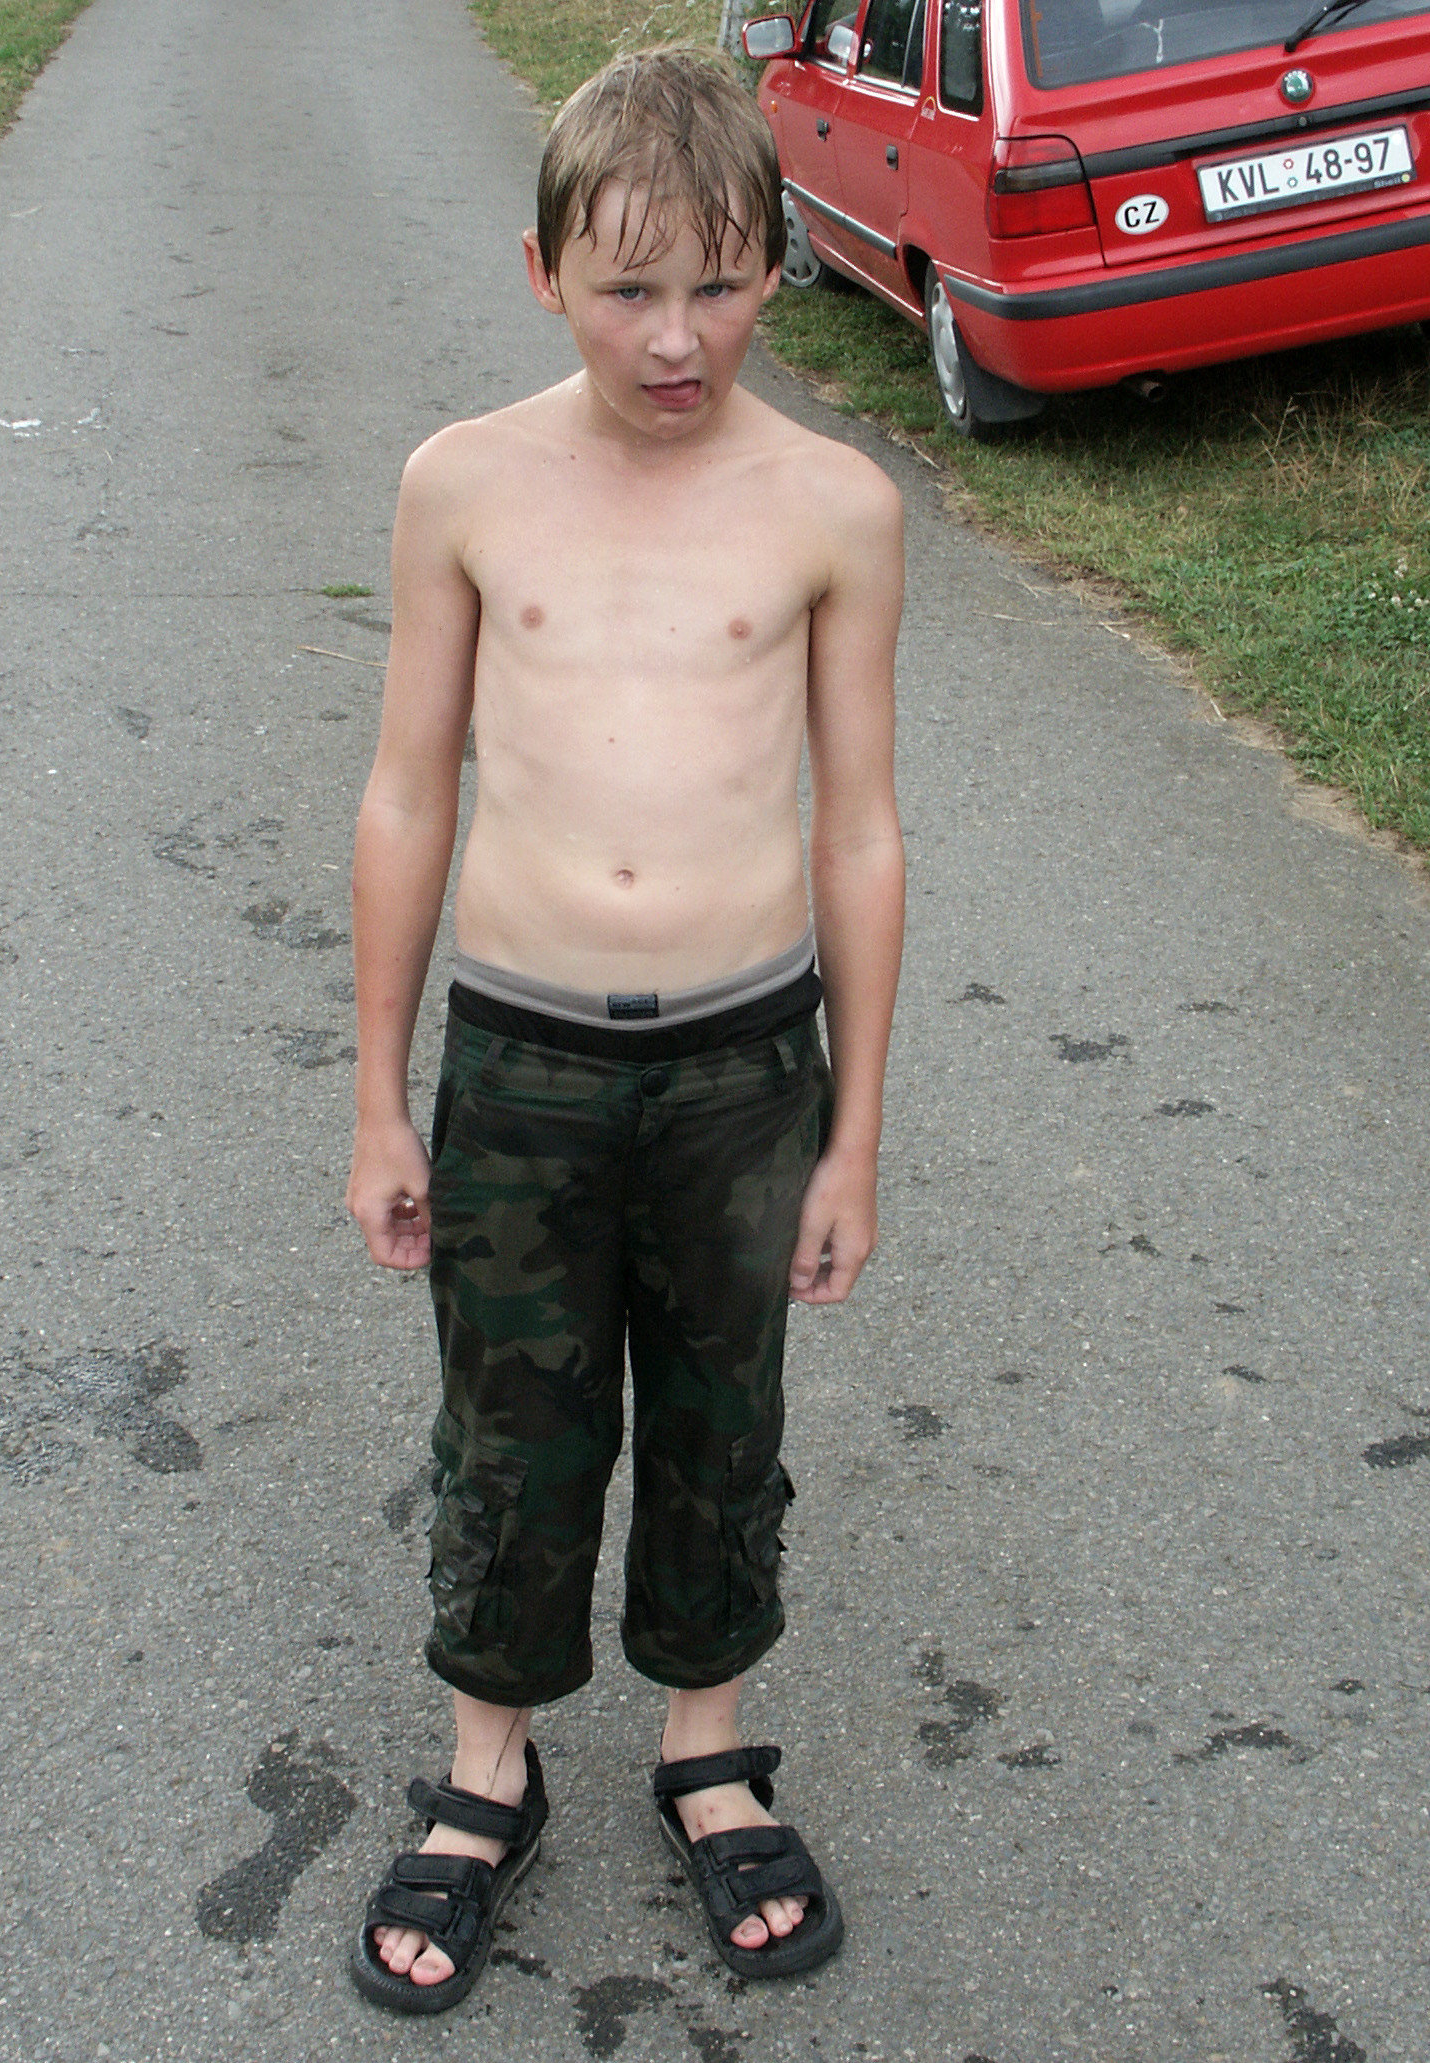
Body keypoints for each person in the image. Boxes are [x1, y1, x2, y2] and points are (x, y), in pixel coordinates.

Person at [344, 46, 905, 2017]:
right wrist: (379, 1099)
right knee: (512, 1428)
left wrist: (850, 1137)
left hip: (747, 1070)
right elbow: (407, 790)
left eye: (720, 285)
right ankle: (486, 1765)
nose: (675, 339)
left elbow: (858, 827)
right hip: (521, 1061)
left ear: (777, 269)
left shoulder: (834, 504)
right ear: (542, 274)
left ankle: (707, 1746)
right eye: (626, 289)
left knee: (721, 1420)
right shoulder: (464, 486)